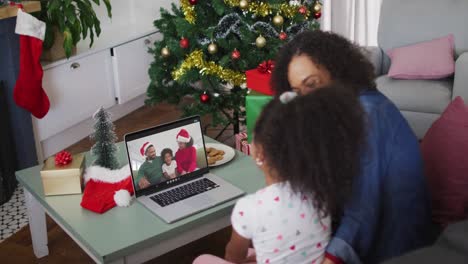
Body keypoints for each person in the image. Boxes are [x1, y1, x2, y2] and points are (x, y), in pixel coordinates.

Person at [270, 30, 432, 264]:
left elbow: (363, 210)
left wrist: (330, 258)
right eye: (298, 92)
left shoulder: (366, 115)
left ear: (337, 72)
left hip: (394, 244)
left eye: (312, 84)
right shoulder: (342, 107)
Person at [193, 85, 366, 264]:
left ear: (259, 153)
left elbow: (233, 257)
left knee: (202, 259)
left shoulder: (248, 208)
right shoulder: (322, 194)